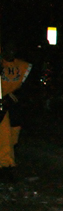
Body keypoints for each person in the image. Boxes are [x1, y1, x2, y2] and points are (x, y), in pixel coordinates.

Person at [1, 41, 32, 175]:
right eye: (8, 49)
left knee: (14, 133)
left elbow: (27, 86)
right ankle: (6, 165)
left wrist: (13, 96)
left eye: (13, 49)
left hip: (13, 103)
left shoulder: (22, 66)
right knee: (4, 133)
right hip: (2, 104)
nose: (11, 52)